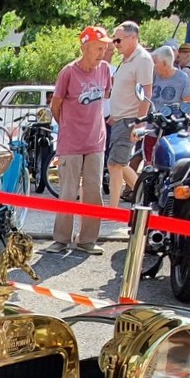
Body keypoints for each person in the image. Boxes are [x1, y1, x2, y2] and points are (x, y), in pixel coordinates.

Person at [46, 26, 113, 255]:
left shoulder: (105, 70)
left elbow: (105, 97)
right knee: (68, 191)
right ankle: (61, 239)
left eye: (104, 48)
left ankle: (87, 240)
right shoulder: (68, 72)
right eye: (98, 48)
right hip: (71, 142)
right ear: (85, 47)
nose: (102, 52)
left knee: (93, 191)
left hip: (96, 141)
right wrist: (67, 126)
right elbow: (55, 106)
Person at [106, 20, 153, 208]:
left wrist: (139, 123)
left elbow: (146, 93)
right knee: (121, 164)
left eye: (118, 40)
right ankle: (147, 200)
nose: (115, 44)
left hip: (130, 120)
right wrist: (114, 114)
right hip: (120, 119)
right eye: (114, 40)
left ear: (133, 37)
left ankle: (112, 210)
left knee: (115, 165)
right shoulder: (126, 60)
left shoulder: (142, 59)